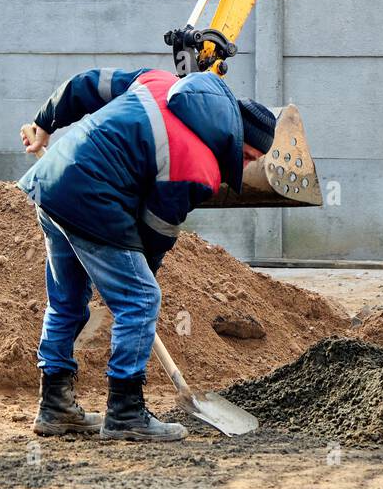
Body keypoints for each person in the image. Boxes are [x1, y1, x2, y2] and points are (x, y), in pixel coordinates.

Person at [18, 67, 276, 442]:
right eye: (250, 158)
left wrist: (46, 121)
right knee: (140, 299)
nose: (247, 166)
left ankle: (54, 407)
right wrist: (134, 285)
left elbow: (87, 84)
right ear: (238, 142)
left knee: (68, 302)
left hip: (52, 182)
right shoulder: (196, 167)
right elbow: (152, 236)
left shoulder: (159, 82)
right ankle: (125, 413)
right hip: (92, 199)